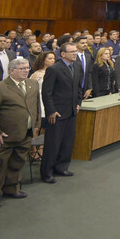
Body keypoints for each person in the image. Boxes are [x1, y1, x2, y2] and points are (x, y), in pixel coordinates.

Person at [0, 57, 41, 208]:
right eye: (22, 68)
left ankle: (11, 189)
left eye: (27, 68)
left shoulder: (32, 84)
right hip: (4, 137)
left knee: (17, 163)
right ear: (11, 70)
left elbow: (36, 107)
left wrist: (36, 125)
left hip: (25, 133)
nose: (26, 71)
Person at [40, 41, 83, 183]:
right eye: (72, 52)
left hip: (71, 110)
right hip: (57, 112)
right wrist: (51, 111)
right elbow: (47, 93)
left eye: (76, 51)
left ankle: (61, 167)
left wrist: (78, 103)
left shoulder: (77, 66)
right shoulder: (54, 69)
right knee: (53, 143)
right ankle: (47, 172)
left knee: (67, 142)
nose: (75, 54)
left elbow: (78, 88)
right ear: (63, 54)